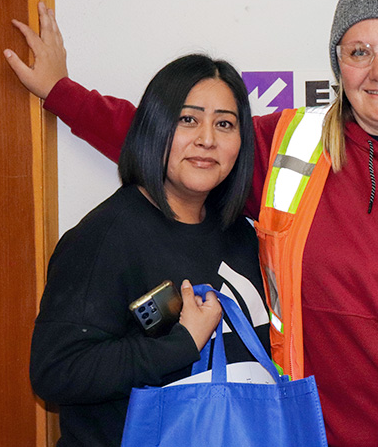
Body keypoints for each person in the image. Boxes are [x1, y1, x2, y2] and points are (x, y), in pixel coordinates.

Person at [7, 0, 378, 446]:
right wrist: (62, 94)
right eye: (359, 52)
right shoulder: (291, 145)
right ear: (338, 66)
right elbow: (183, 143)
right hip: (307, 432)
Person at [26, 54, 270, 446]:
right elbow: (57, 371)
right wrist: (182, 343)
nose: (207, 139)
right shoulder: (105, 237)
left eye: (224, 123)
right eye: (188, 119)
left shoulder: (242, 234)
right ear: (154, 127)